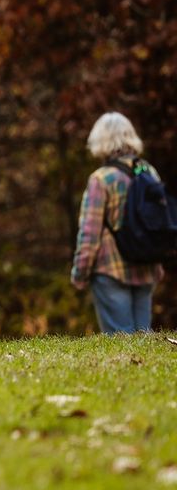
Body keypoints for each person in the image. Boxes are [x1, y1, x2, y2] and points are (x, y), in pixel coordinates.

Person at [71, 112, 164, 333]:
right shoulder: (149, 172)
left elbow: (90, 233)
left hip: (110, 269)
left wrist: (80, 273)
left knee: (120, 341)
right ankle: (145, 369)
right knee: (143, 339)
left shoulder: (101, 179)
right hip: (147, 265)